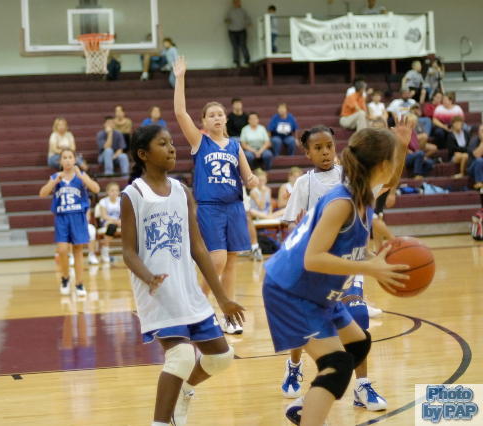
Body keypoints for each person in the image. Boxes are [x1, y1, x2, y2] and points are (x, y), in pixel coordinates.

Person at [264, 125, 411, 425]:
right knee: (338, 364)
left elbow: (390, 183)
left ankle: (306, 406)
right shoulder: (342, 202)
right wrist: (370, 267)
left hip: (316, 291)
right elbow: (313, 258)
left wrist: (403, 146)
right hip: (290, 290)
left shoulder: (361, 193)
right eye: (394, 160)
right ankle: (311, 413)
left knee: (359, 344)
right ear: (382, 165)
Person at [121, 124, 245, 426]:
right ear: (143, 154)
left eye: (171, 143)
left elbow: (199, 248)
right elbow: (128, 252)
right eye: (162, 144)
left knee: (221, 357)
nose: (172, 148)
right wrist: (148, 277)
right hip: (158, 293)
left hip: (188, 291)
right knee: (181, 357)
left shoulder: (181, 191)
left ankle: (184, 393)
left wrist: (223, 299)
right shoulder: (133, 195)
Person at [174, 56, 258, 335]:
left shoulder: (235, 145)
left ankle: (229, 317)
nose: (217, 117)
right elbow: (180, 113)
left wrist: (253, 180)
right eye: (211, 115)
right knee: (217, 260)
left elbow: (247, 176)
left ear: (226, 118)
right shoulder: (200, 142)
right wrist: (180, 78)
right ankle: (196, 309)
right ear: (203, 121)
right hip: (210, 208)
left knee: (232, 261)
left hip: (234, 207)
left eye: (220, 114)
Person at [39, 148, 100, 297]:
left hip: (78, 216)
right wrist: (53, 182)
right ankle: (65, 278)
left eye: (70, 157)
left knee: (78, 251)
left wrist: (82, 177)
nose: (67, 160)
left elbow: (96, 189)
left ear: (74, 160)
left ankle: (79, 283)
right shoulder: (56, 177)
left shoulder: (81, 175)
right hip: (62, 217)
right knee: (62, 250)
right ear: (60, 161)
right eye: (64, 158)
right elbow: (42, 194)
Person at [405, 114, 435, 179]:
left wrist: (422, 156)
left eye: (414, 122)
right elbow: (400, 146)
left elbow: (417, 148)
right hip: (405, 157)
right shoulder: (403, 132)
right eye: (412, 122)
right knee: (420, 154)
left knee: (430, 163)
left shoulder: (413, 132)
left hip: (414, 155)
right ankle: (417, 174)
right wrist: (408, 151)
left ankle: (417, 174)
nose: (414, 124)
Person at [97, 182, 121, 263]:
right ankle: (105, 252)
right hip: (106, 222)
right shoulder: (103, 201)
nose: (114, 192)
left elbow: (125, 215)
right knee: (112, 226)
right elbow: (104, 216)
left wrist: (121, 221)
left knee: (131, 226)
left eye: (116, 190)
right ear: (107, 192)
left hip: (118, 222)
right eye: (112, 190)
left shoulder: (121, 201)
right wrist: (115, 221)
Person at [225, 0, 251, 68]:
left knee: (243, 46)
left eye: (237, 2)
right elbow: (226, 19)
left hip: (242, 31)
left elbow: (248, 19)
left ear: (240, 3)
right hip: (232, 31)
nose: (236, 3)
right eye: (235, 2)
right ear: (233, 3)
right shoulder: (230, 11)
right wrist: (227, 20)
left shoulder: (243, 11)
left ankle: (247, 61)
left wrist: (249, 23)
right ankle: (236, 62)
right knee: (235, 47)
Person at [467, 125, 483, 189]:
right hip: (473, 167)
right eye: (482, 131)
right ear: (478, 132)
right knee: (479, 160)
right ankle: (479, 183)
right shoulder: (474, 140)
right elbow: (477, 155)